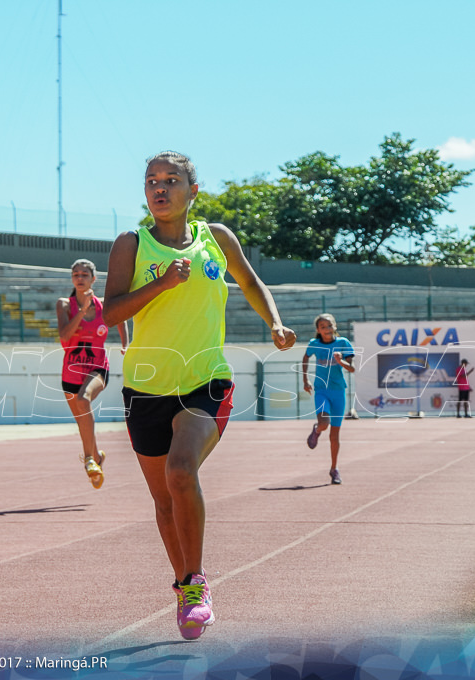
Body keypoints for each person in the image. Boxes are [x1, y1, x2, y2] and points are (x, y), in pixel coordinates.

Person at [102, 151, 296, 640]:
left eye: (171, 180)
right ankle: (185, 585)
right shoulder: (131, 244)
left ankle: (197, 583)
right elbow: (109, 313)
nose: (159, 189)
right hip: (145, 386)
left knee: (180, 471)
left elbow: (250, 281)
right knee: (164, 500)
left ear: (193, 191)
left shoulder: (216, 238)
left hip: (205, 380)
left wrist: (273, 322)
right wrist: (164, 283)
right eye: (151, 181)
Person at [56, 258, 129, 488]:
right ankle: (96, 458)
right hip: (70, 372)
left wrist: (126, 343)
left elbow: (121, 316)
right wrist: (82, 311)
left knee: (83, 398)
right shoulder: (64, 305)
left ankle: (88, 459)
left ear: (93, 279)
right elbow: (65, 337)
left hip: (97, 368)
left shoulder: (104, 305)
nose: (79, 278)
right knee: (81, 419)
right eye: (75, 274)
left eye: (84, 275)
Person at [301, 313, 355, 485]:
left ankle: (334, 469)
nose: (327, 329)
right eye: (323, 327)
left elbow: (352, 369)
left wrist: (340, 362)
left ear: (334, 327)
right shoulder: (314, 344)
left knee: (334, 435)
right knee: (324, 423)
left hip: (338, 391)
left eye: (329, 326)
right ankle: (317, 430)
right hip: (321, 390)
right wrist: (305, 379)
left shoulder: (343, 343)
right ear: (318, 330)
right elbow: (306, 357)